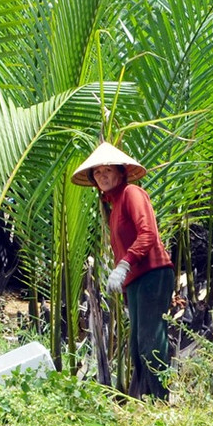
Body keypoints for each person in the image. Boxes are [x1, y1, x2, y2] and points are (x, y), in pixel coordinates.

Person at [71, 142, 174, 398]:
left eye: (108, 170)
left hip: (154, 274)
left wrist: (125, 264)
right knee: (138, 345)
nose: (103, 176)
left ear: (120, 171)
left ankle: (161, 401)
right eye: (97, 172)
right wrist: (125, 279)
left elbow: (148, 233)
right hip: (137, 281)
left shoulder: (132, 194)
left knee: (151, 342)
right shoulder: (113, 207)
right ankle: (147, 401)